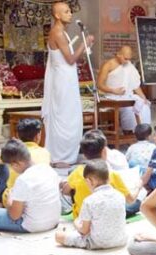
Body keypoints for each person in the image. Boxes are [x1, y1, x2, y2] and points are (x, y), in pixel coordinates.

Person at [42, 1, 94, 166]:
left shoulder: (63, 33)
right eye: (66, 11)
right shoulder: (57, 32)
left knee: (71, 116)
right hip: (62, 81)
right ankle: (59, 157)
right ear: (57, 15)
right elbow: (70, 59)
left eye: (70, 11)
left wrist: (84, 46)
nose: (70, 14)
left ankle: (68, 154)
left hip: (68, 79)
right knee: (63, 117)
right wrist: (84, 44)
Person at [0, 140, 60, 233]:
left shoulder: (23, 180)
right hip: (53, 221)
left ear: (16, 164)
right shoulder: (48, 169)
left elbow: (14, 216)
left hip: (31, 226)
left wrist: (9, 200)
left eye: (10, 166)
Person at [62, 130, 137, 219]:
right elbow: (130, 200)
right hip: (105, 217)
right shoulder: (112, 174)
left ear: (85, 155)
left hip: (81, 216)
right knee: (136, 203)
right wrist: (139, 187)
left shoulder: (77, 172)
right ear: (104, 151)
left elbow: (65, 191)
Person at [55, 160, 128, 250]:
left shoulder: (89, 201)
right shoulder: (120, 195)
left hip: (96, 243)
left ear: (89, 181)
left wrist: (76, 223)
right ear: (108, 179)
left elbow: (84, 231)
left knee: (59, 236)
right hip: (121, 240)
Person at [0, 119, 51, 207]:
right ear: (38, 136)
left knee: (4, 163)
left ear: (17, 136)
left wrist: (0, 152)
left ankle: (0, 199)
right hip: (41, 197)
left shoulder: (13, 153)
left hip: (14, 199)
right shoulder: (45, 152)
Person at [97, 45, 151, 133]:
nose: (127, 61)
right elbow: (99, 84)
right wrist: (113, 90)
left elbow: (135, 85)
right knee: (129, 109)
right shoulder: (108, 64)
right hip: (112, 97)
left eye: (129, 59)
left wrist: (143, 97)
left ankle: (142, 134)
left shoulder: (129, 65)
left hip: (127, 96)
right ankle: (128, 131)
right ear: (118, 54)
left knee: (144, 106)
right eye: (125, 59)